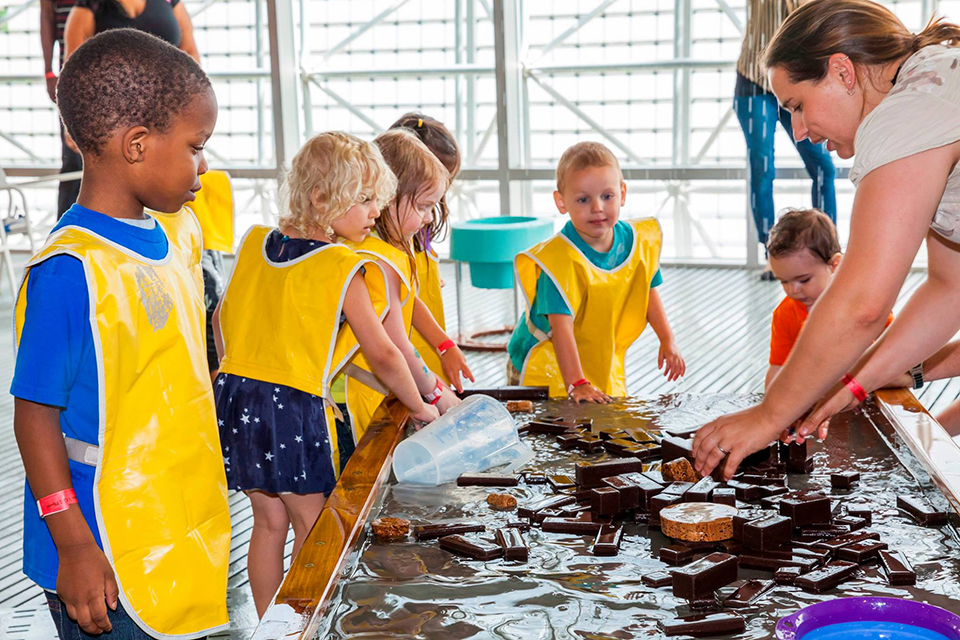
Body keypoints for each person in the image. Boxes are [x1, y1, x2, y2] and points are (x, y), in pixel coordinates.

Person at [12, 29, 229, 638]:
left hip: (182, 533)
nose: (203, 165)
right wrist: (73, 545)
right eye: (196, 145)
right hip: (105, 552)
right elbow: (33, 416)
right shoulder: (71, 270)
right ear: (137, 144)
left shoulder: (180, 234)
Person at [694, 0, 960, 480]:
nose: (798, 130)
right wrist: (856, 381)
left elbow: (863, 304)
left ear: (842, 71)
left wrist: (768, 415)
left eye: (796, 105)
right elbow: (949, 289)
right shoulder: (932, 89)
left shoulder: (908, 111)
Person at [212, 131, 439, 618]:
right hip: (290, 408)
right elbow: (382, 354)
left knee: (267, 523)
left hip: (235, 399)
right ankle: (307, 623)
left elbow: (219, 319)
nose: (374, 211)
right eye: (363, 200)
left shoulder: (254, 243)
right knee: (316, 530)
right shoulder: (342, 266)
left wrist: (244, 374)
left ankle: (271, 627)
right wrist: (421, 407)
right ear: (321, 197)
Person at [507, 141, 685, 402]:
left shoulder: (637, 243)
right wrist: (576, 383)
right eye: (583, 199)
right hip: (544, 364)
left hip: (594, 356)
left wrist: (667, 340)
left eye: (607, 196)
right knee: (546, 431)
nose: (597, 207)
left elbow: (648, 291)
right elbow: (561, 331)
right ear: (561, 202)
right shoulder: (559, 262)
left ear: (622, 193)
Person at [342, 129, 463, 439]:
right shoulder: (381, 260)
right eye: (422, 207)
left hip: (348, 390)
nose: (426, 219)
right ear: (389, 198)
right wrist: (436, 393)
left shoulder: (360, 244)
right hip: (359, 397)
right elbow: (395, 344)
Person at [735, 0, 837, 280]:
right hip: (753, 81)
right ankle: (773, 254)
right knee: (762, 165)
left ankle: (826, 252)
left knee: (823, 167)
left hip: (796, 79)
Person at [389, 112, 475, 392]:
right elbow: (405, 299)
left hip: (426, 351)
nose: (430, 212)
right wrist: (444, 344)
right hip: (405, 358)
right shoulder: (385, 239)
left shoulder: (416, 224)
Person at [765, 208, 894, 390]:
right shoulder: (785, 313)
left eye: (804, 280)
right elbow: (777, 367)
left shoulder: (862, 304)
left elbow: (892, 348)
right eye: (784, 281)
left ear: (834, 265)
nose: (793, 290)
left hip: (867, 389)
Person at [40, 0, 81, 218]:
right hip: (72, 79)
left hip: (114, 76)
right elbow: (47, 16)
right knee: (73, 160)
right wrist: (48, 71)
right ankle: (65, 232)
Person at [64, 0, 199, 61]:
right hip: (114, 107)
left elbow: (190, 51)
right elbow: (73, 69)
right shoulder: (89, 7)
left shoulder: (171, 2)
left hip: (170, 103)